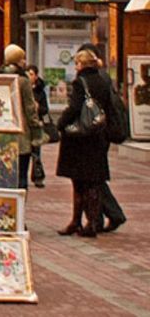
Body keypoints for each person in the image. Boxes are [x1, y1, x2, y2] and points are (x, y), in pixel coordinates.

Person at [57, 48, 114, 237]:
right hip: (97, 137)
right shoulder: (103, 81)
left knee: (79, 182)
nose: (76, 67)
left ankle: (77, 221)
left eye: (77, 63)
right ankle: (92, 222)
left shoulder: (80, 82)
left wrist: (61, 123)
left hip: (80, 139)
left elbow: (74, 108)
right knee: (94, 182)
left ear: (81, 64)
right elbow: (109, 107)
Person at [76, 42, 127, 232]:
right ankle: (98, 217)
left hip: (97, 132)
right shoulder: (102, 76)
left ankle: (111, 214)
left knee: (93, 178)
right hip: (100, 132)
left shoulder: (97, 78)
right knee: (94, 177)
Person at [1, 45, 44, 190]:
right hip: (21, 134)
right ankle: (19, 207)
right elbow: (30, 109)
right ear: (17, 60)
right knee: (21, 176)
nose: (25, 62)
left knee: (4, 174)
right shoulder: (23, 81)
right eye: (22, 58)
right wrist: (37, 133)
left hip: (2, 133)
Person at [26, 64, 50, 188]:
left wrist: (38, 107)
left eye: (31, 74)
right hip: (25, 125)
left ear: (36, 76)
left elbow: (46, 110)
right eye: (27, 74)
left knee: (36, 153)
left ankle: (38, 176)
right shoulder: (23, 88)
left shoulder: (40, 92)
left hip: (36, 124)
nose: (29, 76)